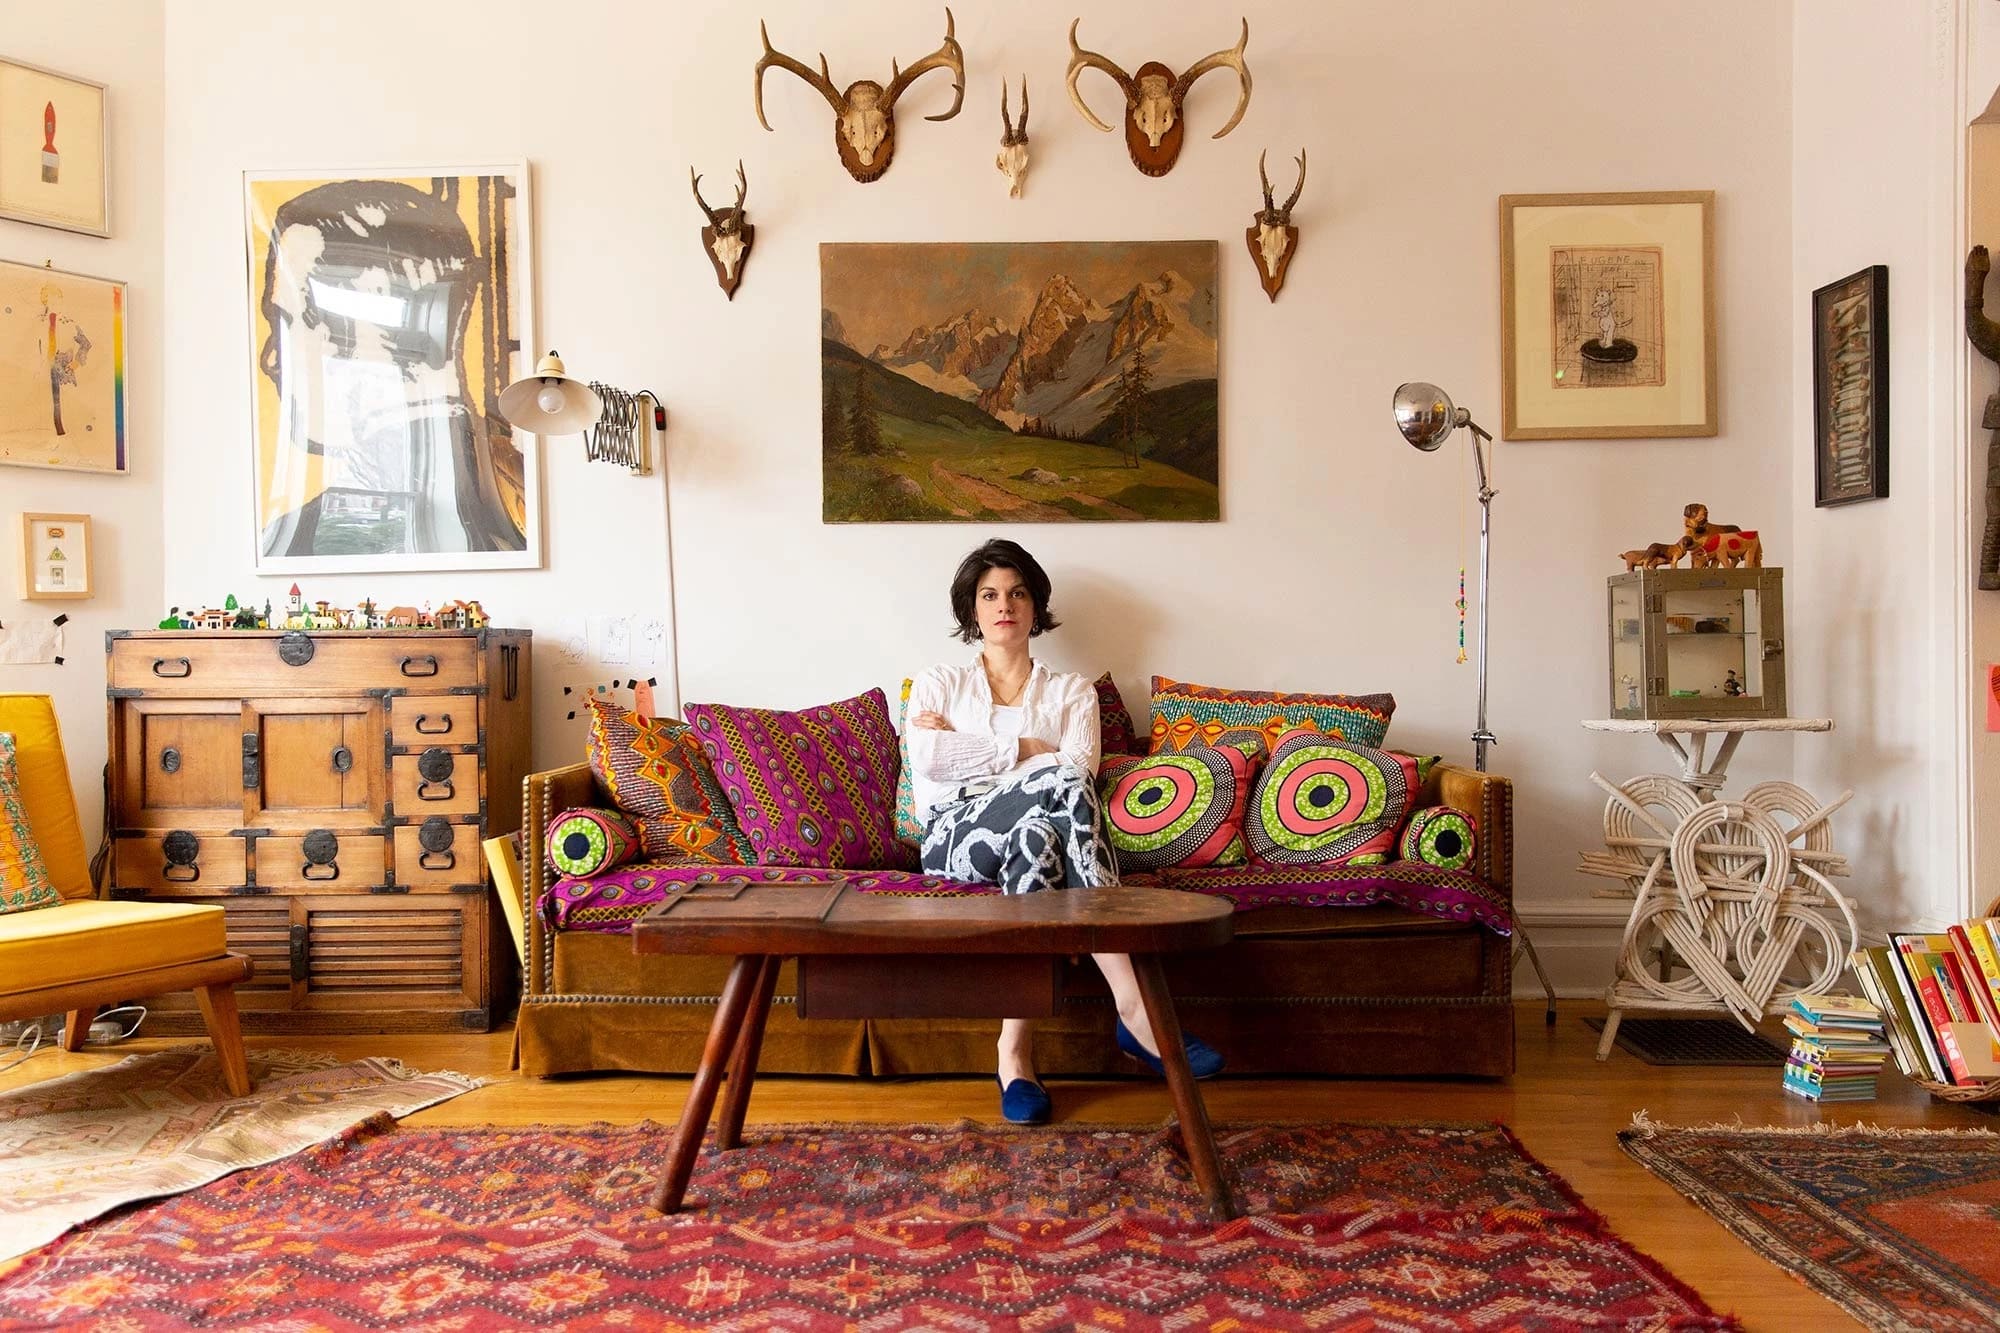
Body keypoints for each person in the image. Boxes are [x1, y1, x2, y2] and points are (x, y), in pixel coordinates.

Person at [906, 538, 1223, 1124]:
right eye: (990, 594)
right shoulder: (937, 683)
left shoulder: (1073, 691)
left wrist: (969, 748)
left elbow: (1079, 770)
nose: (1006, 604)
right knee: (1055, 790)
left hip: (1037, 825)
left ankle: (1014, 1053)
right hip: (955, 833)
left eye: (1019, 593)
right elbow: (928, 761)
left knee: (1038, 837)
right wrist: (1025, 747)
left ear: (1036, 605)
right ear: (971, 610)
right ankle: (1134, 1007)